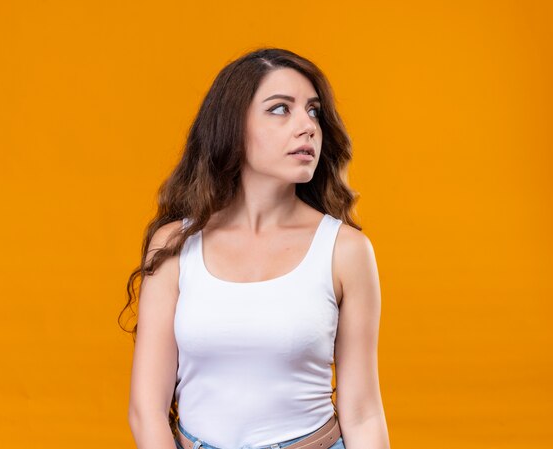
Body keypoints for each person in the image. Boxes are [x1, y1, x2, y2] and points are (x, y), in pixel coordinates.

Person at [118, 47, 390, 449]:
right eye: (281, 109)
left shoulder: (345, 251)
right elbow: (146, 409)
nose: (307, 126)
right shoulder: (175, 246)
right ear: (233, 127)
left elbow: (363, 412)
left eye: (313, 111)